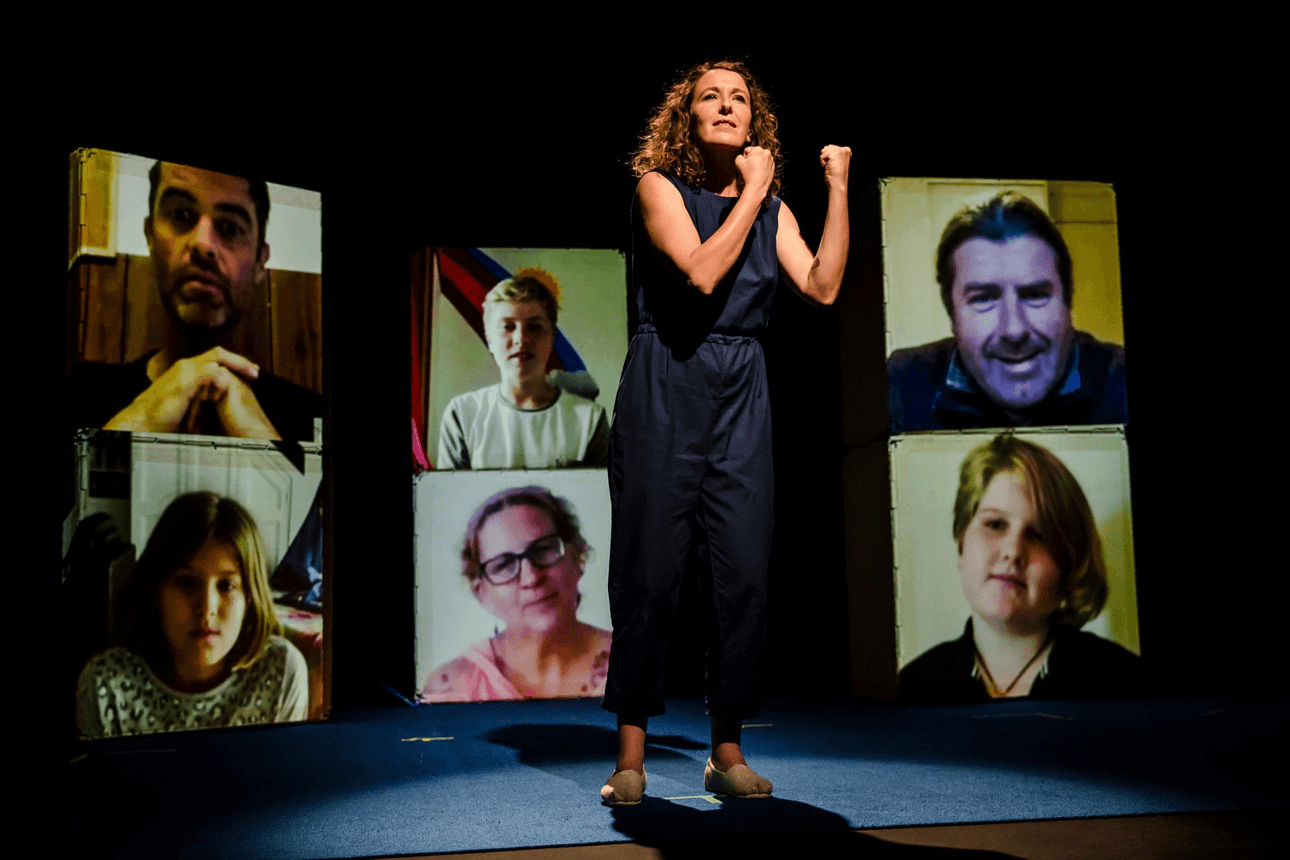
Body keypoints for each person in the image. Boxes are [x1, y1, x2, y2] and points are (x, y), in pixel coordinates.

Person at [601, 60, 850, 805]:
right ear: (688, 116)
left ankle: (726, 749)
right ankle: (631, 758)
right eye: (710, 95)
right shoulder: (658, 185)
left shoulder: (773, 212)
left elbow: (824, 286)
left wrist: (834, 187)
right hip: (665, 379)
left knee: (741, 574)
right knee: (648, 573)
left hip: (743, 388)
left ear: (754, 122)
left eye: (739, 98)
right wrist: (751, 192)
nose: (726, 105)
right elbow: (703, 272)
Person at [68, 160, 322, 441]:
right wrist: (135, 424)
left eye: (229, 227)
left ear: (261, 261)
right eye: (181, 214)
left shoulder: (314, 417)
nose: (203, 244)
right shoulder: (80, 396)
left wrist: (266, 446)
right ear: (150, 235)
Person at [898, 435, 1141, 704]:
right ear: (961, 542)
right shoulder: (912, 686)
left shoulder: (1124, 683)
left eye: (1039, 535)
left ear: (1069, 567)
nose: (1013, 552)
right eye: (995, 524)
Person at [887, 192, 1127, 432]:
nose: (1014, 330)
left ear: (1069, 298)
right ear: (951, 311)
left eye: (1035, 295)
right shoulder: (900, 386)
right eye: (983, 299)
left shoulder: (1121, 382)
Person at [76, 493, 308, 738]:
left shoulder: (280, 671)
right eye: (186, 582)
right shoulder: (106, 683)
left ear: (250, 597)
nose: (207, 608)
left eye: (226, 586)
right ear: (156, 590)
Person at [419, 486, 612, 702]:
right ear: (480, 592)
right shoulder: (450, 688)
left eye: (544, 550)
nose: (532, 578)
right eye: (503, 565)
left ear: (578, 555)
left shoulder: (641, 662)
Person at [437, 270, 609, 469]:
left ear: (551, 338)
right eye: (508, 327)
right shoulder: (462, 414)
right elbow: (451, 497)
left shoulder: (590, 420)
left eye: (534, 327)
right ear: (490, 340)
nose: (521, 339)